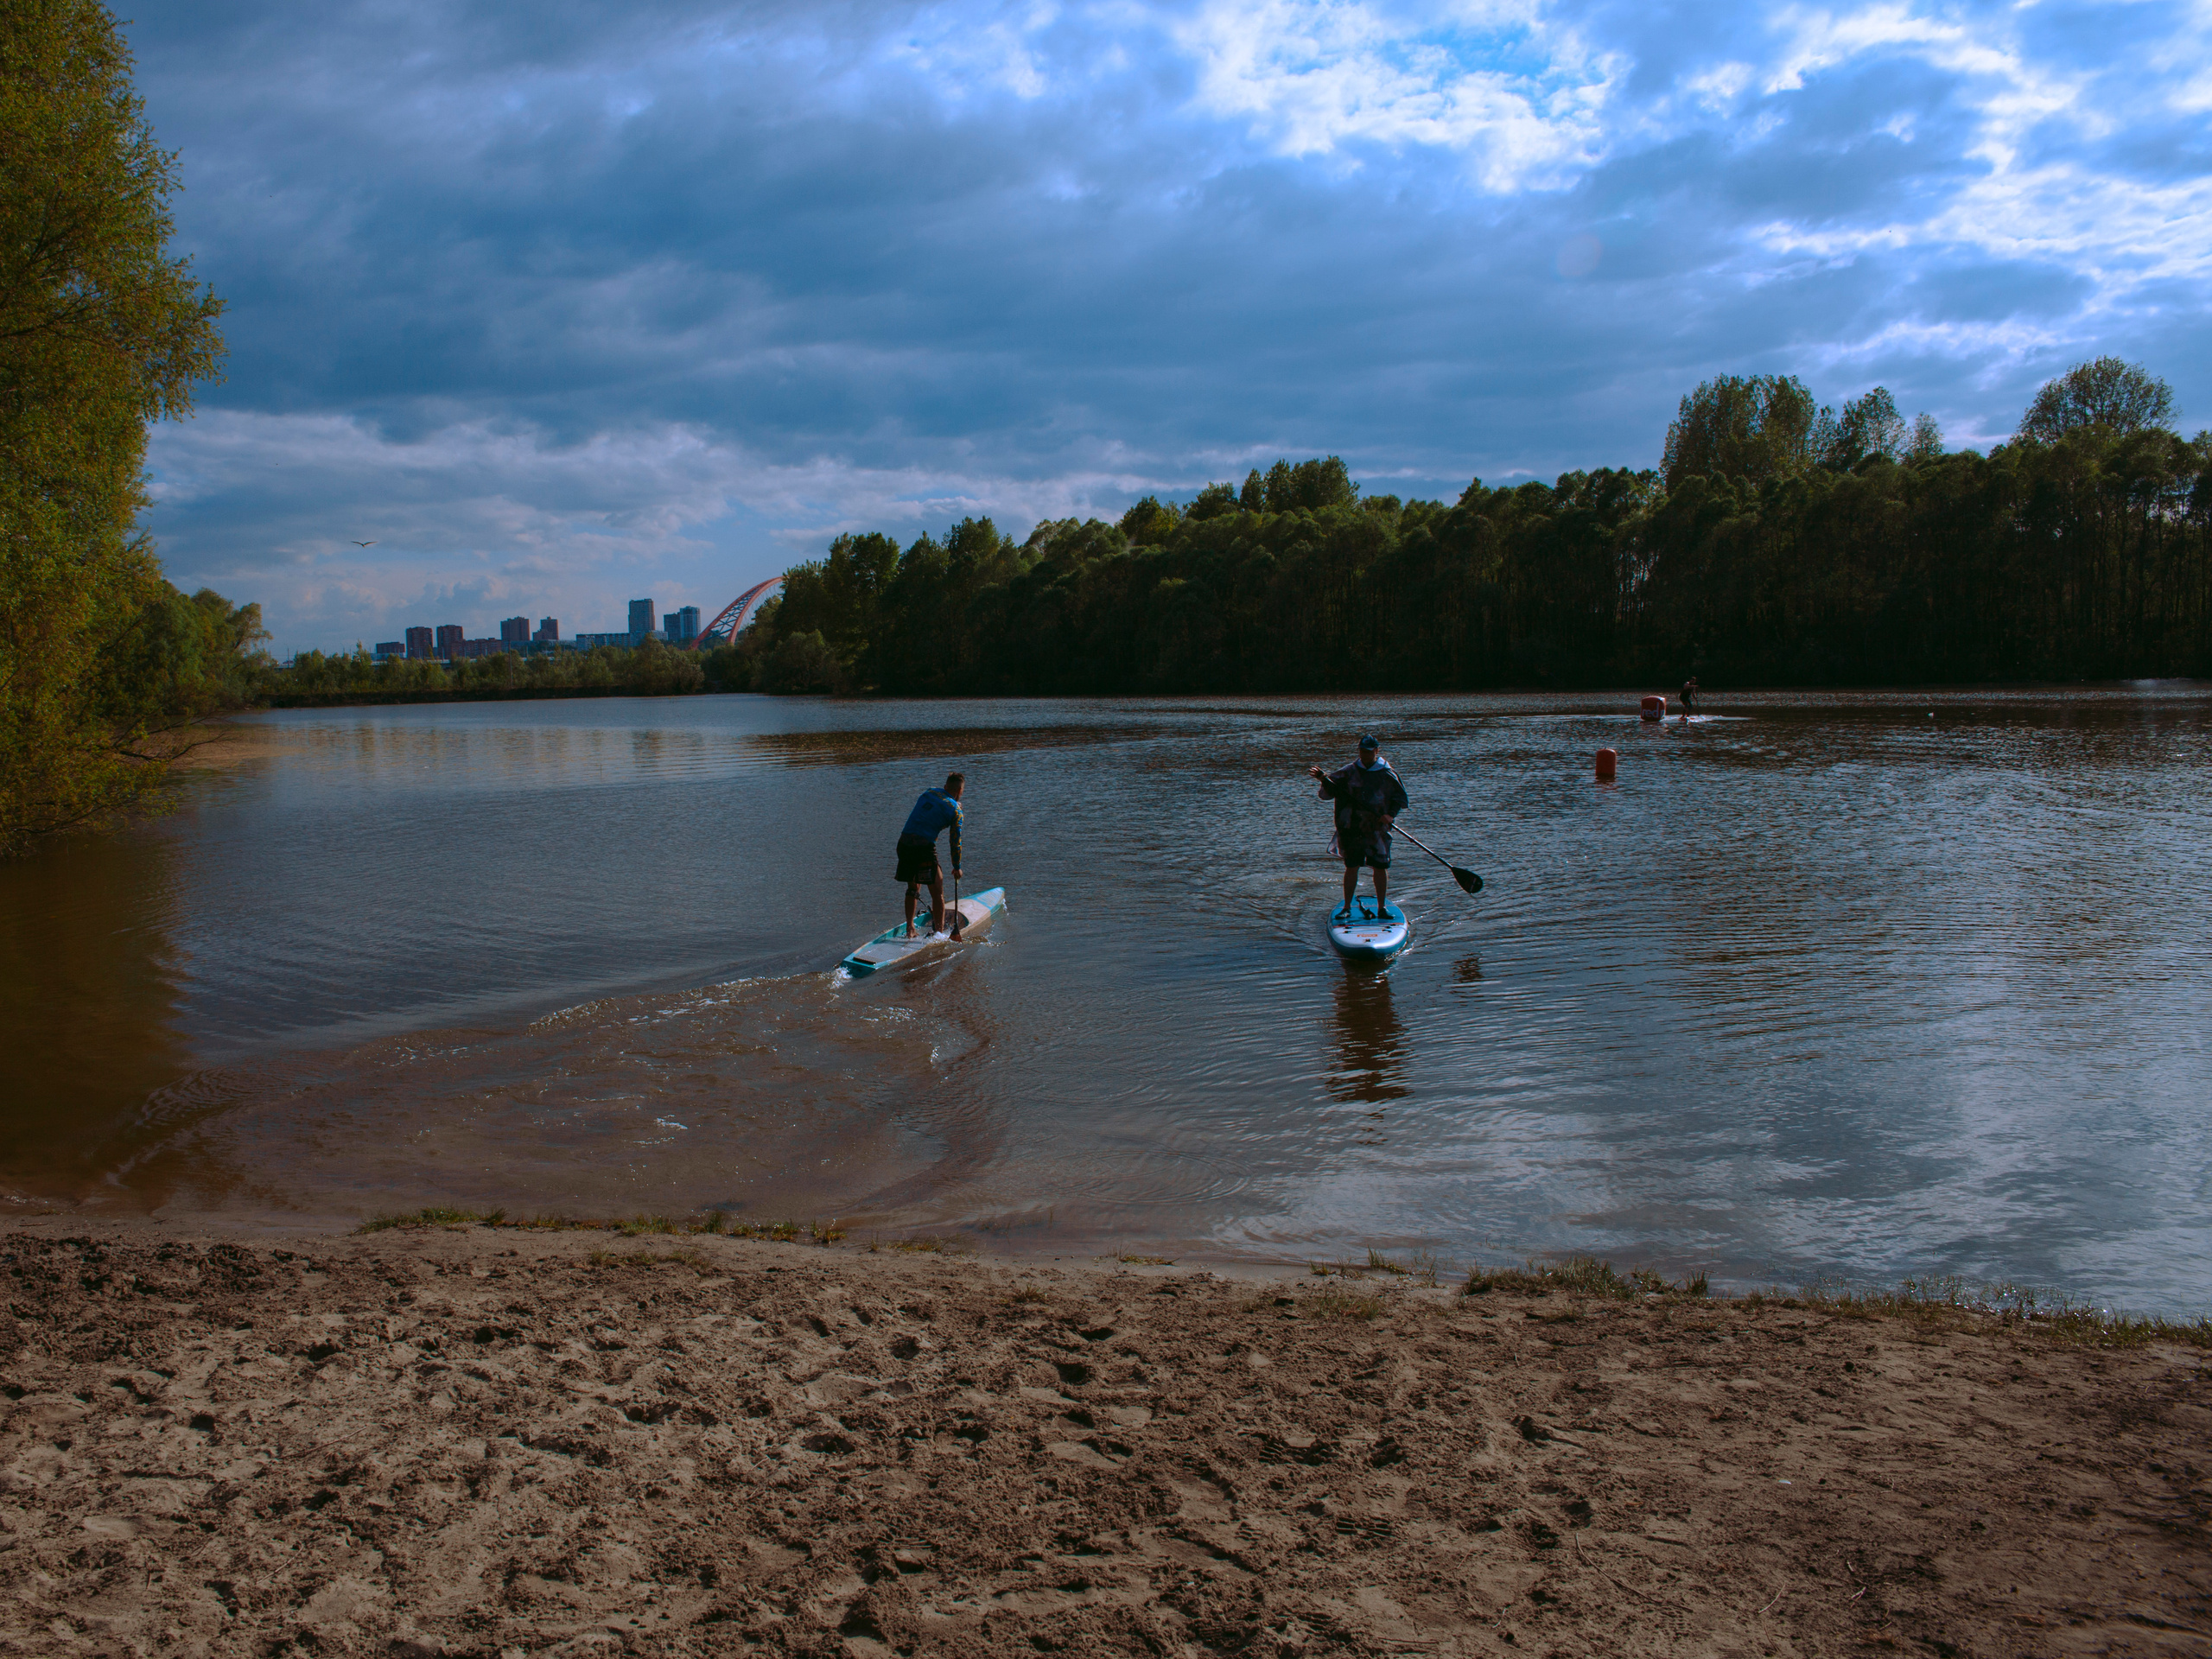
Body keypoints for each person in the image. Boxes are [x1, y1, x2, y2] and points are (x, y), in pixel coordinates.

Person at [1309, 735, 1408, 921]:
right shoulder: (1348, 772)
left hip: (1377, 829)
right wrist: (1323, 779)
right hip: (1351, 828)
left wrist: (1391, 815)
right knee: (1352, 866)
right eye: (1362, 751)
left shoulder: (1387, 773)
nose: (1365, 755)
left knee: (1380, 867)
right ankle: (1347, 907)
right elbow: (1327, 793)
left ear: (1376, 752)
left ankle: (1381, 908)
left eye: (1369, 752)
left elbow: (1400, 798)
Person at [894, 772, 963, 938]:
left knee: (913, 887)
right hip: (924, 847)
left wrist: (954, 805)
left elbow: (932, 810)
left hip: (904, 843)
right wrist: (957, 867)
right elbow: (955, 843)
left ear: (946, 786)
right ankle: (938, 934)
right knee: (937, 892)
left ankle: (910, 928)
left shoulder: (929, 792)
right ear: (960, 791)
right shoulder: (956, 811)